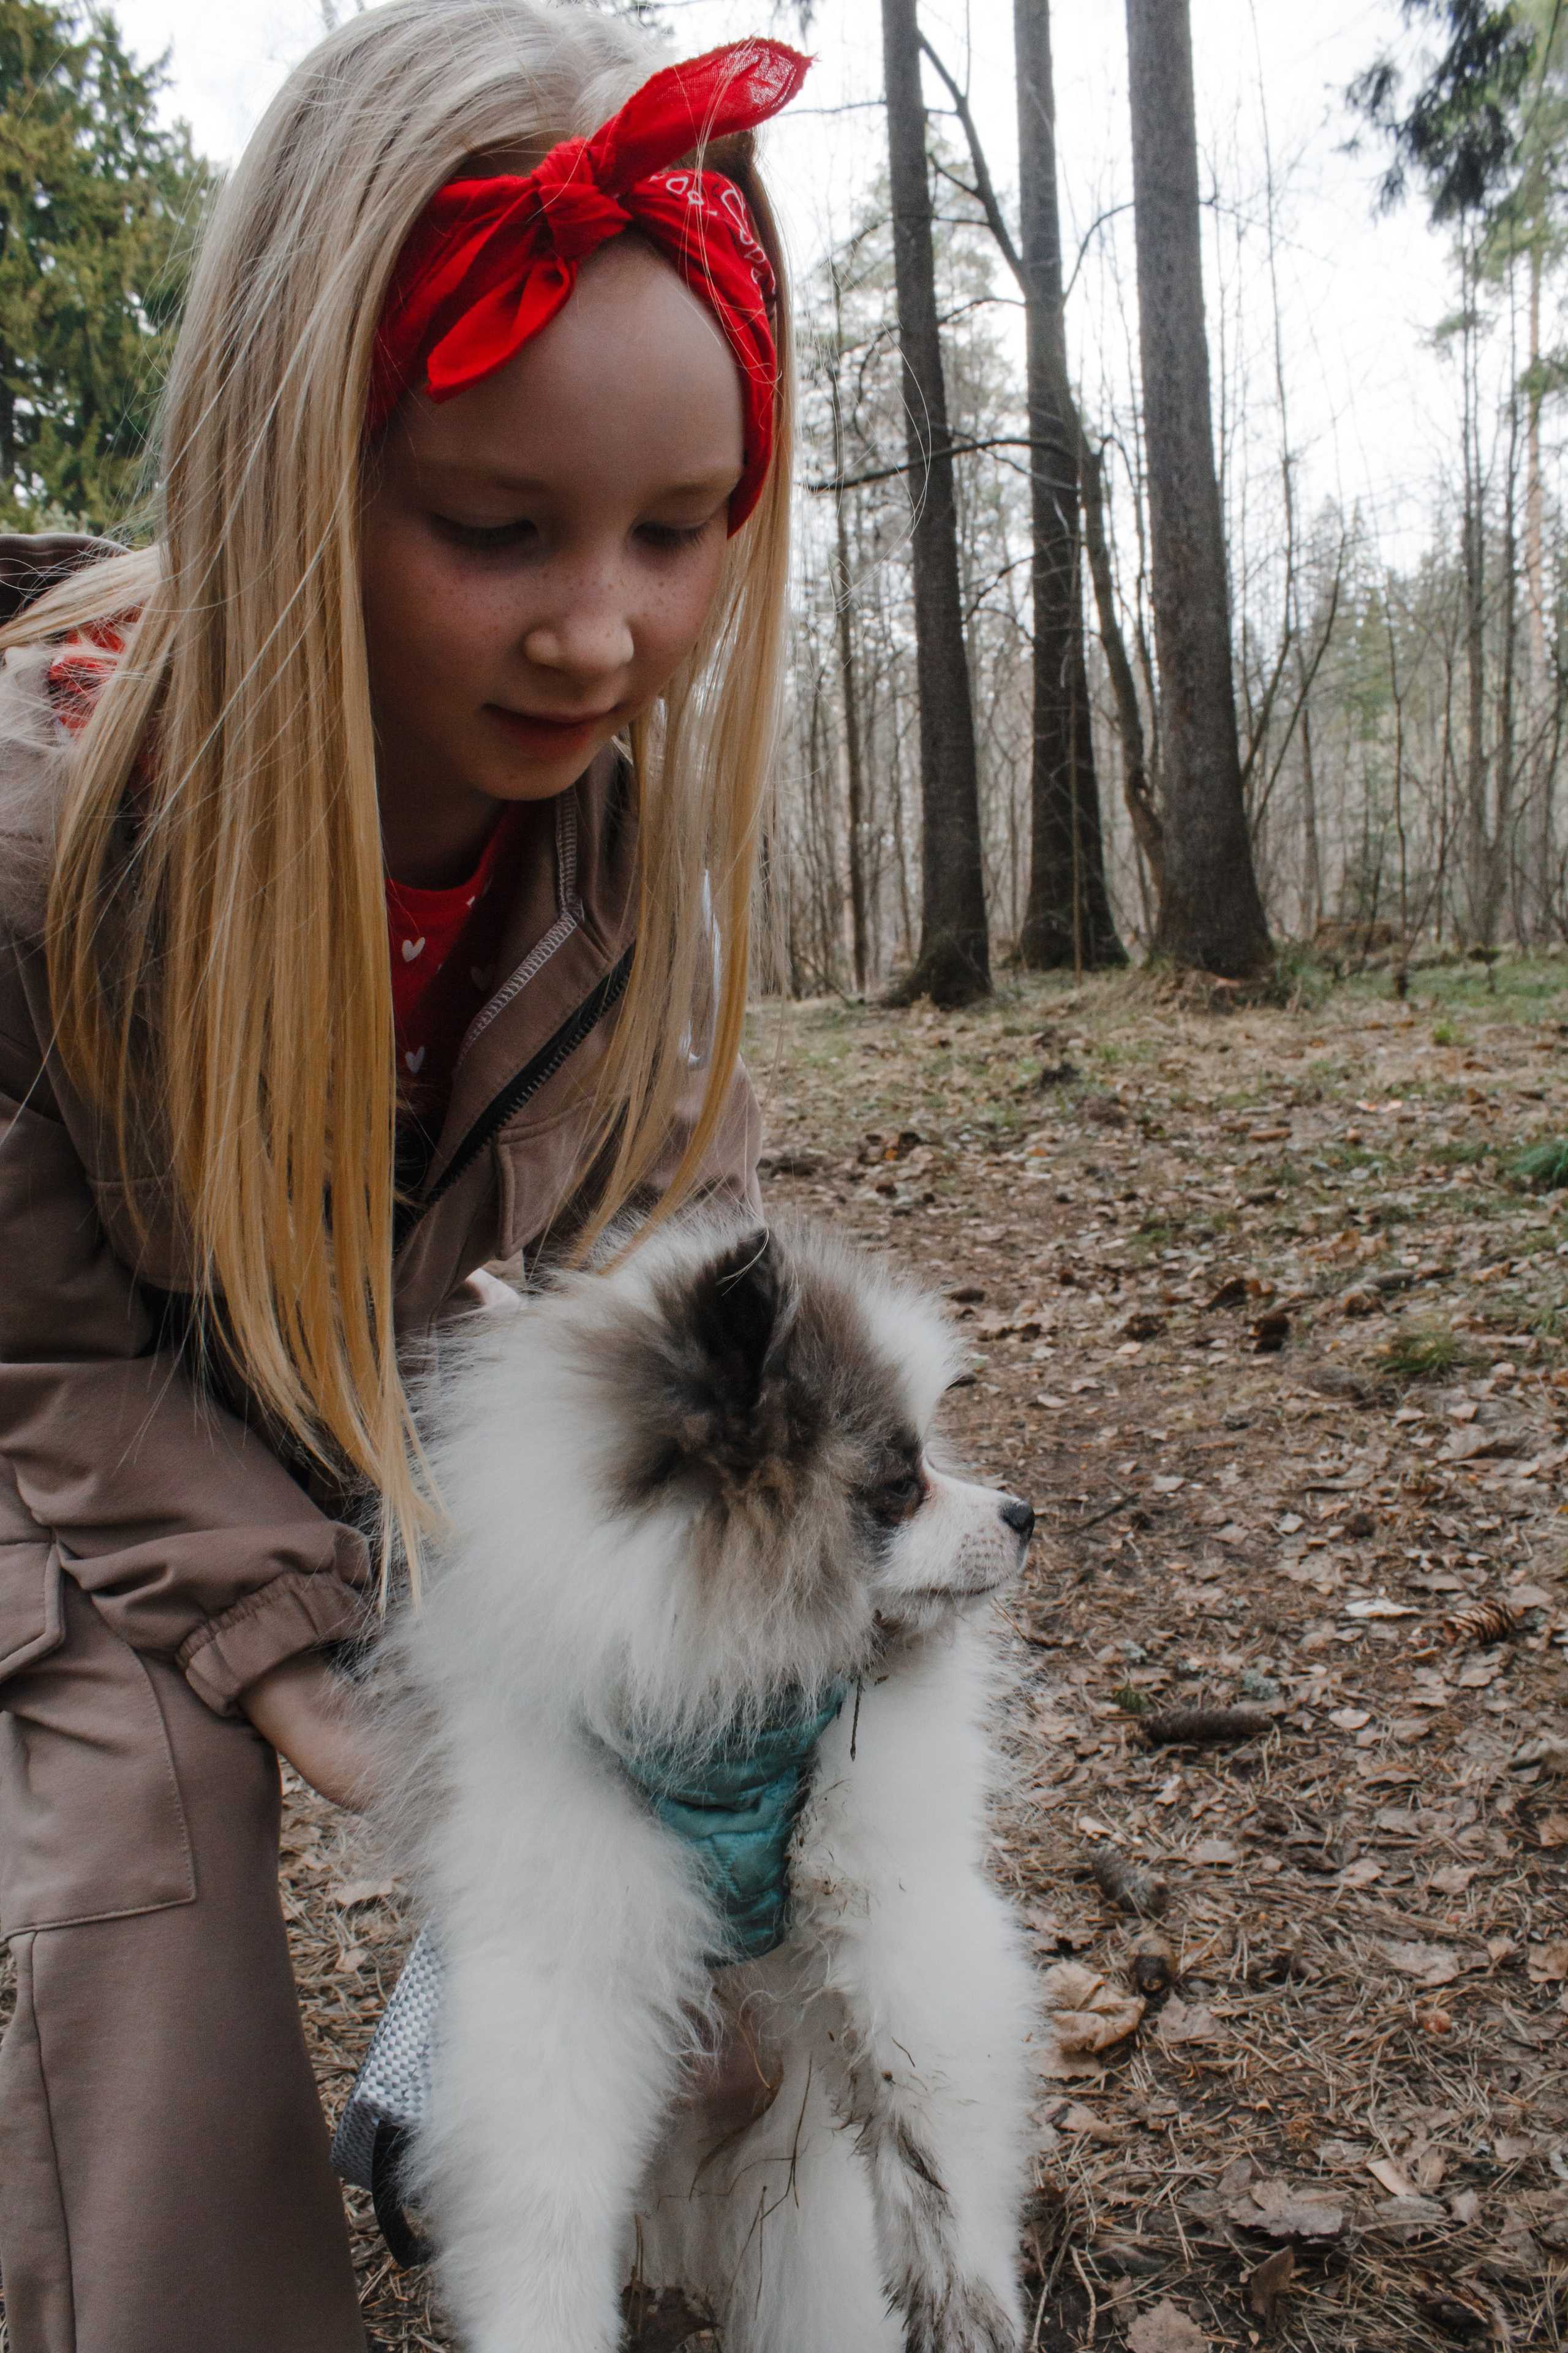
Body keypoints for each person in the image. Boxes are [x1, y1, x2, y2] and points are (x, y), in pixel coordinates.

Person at [0, 6, 807, 2345]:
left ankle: (542, 2146)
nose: (599, 628)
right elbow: (34, 1339)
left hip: (386, 1399)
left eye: (678, 531)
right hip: (68, 1431)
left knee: (709, 1761)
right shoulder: (46, 845)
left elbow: (679, 1259)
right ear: (293, 473)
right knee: (142, 1812)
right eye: (493, 528)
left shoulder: (628, 878)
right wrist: (290, 1655)